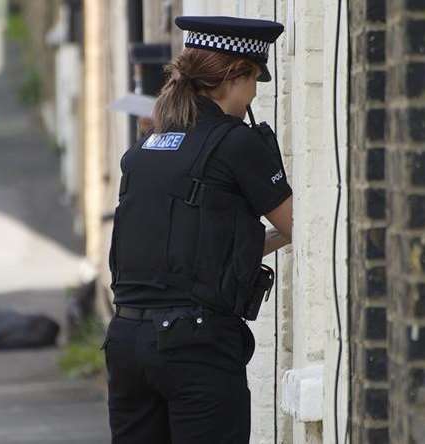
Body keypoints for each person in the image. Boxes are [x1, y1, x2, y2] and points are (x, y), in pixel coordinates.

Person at [100, 15, 293, 444]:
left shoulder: (144, 150)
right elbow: (300, 223)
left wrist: (254, 245)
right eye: (254, 82)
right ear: (235, 76)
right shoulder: (236, 143)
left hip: (128, 341)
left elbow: (195, 250)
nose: (253, 97)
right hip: (195, 349)